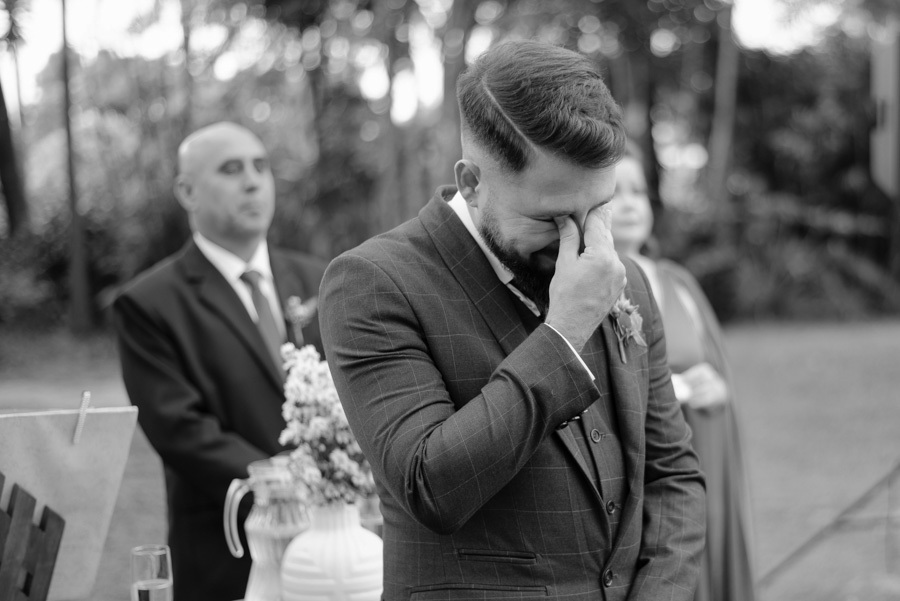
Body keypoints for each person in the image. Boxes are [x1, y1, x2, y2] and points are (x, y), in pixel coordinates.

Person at [319, 40, 706, 601]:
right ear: (472, 184)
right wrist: (565, 333)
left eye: (598, 207)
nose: (587, 243)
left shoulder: (627, 280)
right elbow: (429, 486)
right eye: (553, 219)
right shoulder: (373, 282)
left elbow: (672, 475)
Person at [112, 122, 327, 601]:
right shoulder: (149, 304)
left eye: (260, 167)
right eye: (231, 170)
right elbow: (179, 429)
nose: (253, 182)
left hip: (334, 546)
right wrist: (281, 484)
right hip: (226, 553)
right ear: (187, 191)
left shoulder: (321, 278)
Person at [610, 146, 757, 601]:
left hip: (699, 452)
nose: (631, 204)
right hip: (642, 471)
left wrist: (717, 389)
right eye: (615, 192)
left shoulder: (678, 282)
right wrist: (673, 387)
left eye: (639, 191)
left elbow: (713, 362)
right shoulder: (590, 287)